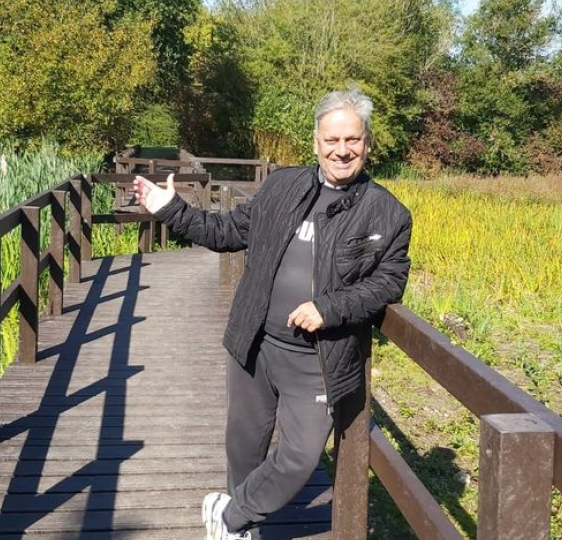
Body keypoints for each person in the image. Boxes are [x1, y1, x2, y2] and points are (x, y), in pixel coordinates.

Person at [134, 88, 412, 540]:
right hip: (254, 343)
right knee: (243, 446)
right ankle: (238, 527)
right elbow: (226, 232)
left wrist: (330, 307)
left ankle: (228, 518)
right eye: (332, 140)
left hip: (319, 358)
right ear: (316, 141)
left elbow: (388, 283)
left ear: (367, 143)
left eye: (353, 140)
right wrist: (171, 210)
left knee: (300, 457)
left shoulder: (387, 213)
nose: (342, 150)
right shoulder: (283, 186)